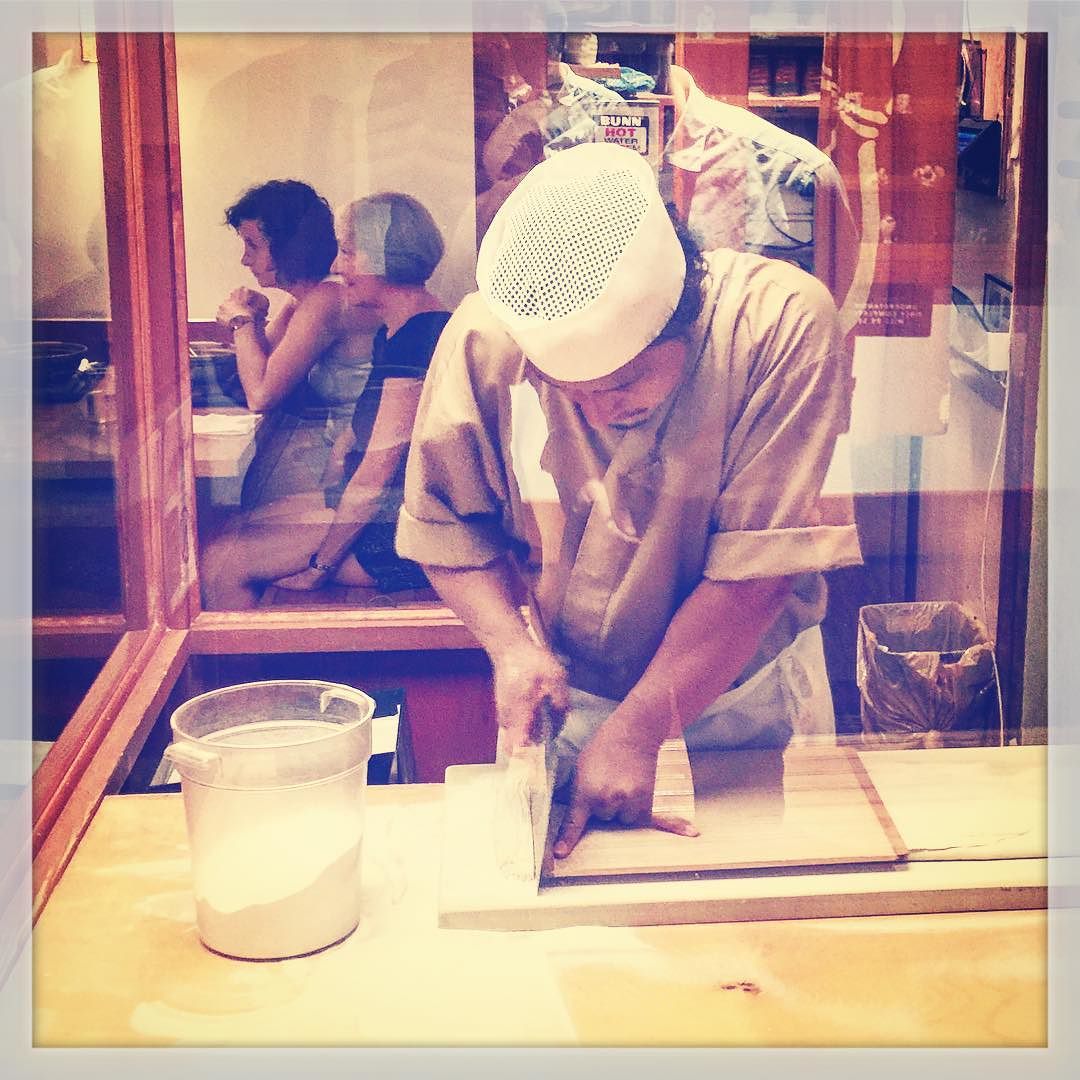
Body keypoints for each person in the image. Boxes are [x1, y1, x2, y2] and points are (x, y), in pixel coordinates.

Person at [396, 143, 863, 858]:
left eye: (623, 385)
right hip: (568, 691)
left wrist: (642, 727)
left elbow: (758, 573)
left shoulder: (780, 324)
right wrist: (512, 650)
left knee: (745, 905)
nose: (596, 412)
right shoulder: (487, 336)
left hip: (742, 693)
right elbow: (446, 528)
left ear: (685, 311)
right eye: (567, 393)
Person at [202, 192, 449, 609]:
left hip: (400, 533)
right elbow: (358, 447)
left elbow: (374, 478)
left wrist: (320, 566)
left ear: (384, 259)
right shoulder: (401, 327)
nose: (336, 266)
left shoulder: (418, 340)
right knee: (231, 529)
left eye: (349, 254)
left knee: (221, 563)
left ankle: (245, 674)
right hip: (384, 511)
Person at [215, 179, 377, 511]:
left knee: (229, 530)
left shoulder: (328, 300)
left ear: (286, 249)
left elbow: (260, 396)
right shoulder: (304, 301)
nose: (245, 260)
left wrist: (241, 322)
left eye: (253, 245)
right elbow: (262, 369)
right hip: (342, 458)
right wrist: (255, 320)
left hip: (361, 471)